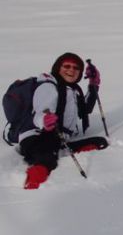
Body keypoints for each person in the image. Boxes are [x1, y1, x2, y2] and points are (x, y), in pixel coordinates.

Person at [20, 52, 104, 189]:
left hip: (57, 137)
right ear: (58, 68)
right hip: (36, 135)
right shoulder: (48, 86)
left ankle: (63, 149)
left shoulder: (73, 90)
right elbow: (40, 111)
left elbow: (85, 109)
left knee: (100, 142)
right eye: (67, 66)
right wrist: (45, 120)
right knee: (45, 157)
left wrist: (94, 85)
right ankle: (33, 184)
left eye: (76, 68)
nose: (71, 70)